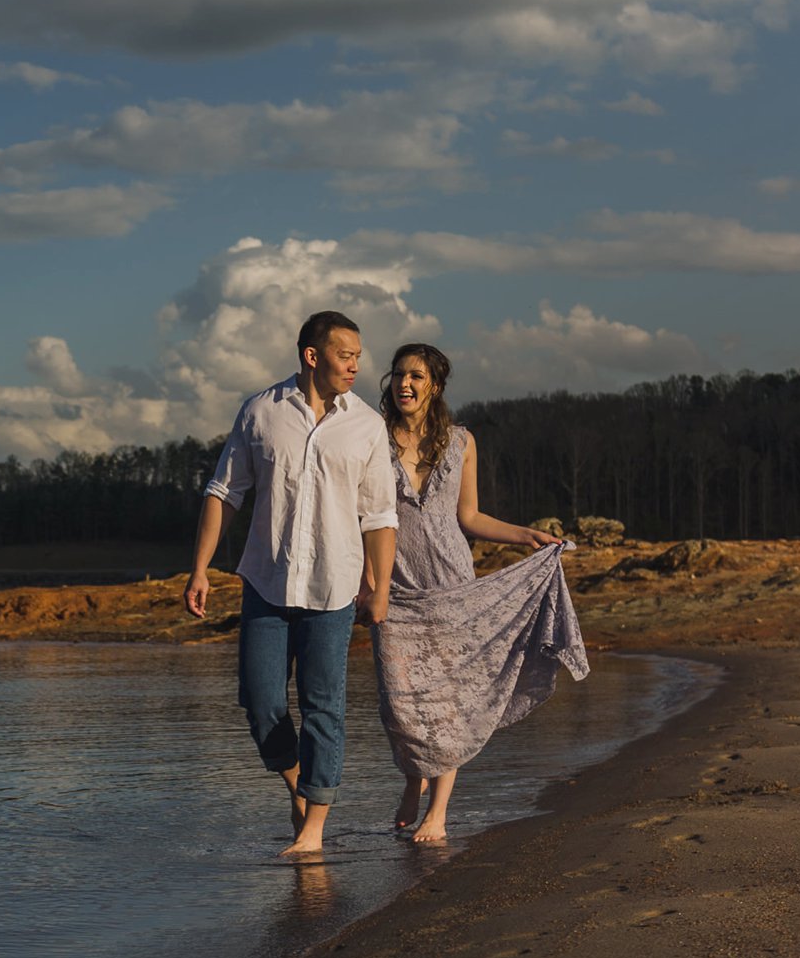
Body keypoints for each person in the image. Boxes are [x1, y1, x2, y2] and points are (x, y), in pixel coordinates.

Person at [186, 312, 397, 859]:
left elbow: (379, 515)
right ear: (312, 356)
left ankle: (312, 831)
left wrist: (381, 590)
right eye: (344, 354)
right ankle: (299, 791)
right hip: (267, 581)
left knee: (324, 706)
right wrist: (200, 568)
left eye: (357, 354)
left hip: (335, 587)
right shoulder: (261, 412)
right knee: (260, 703)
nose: (355, 364)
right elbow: (224, 492)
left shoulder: (368, 426)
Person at [374, 342, 587, 845]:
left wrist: (526, 535)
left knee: (447, 701)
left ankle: (439, 812)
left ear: (436, 386)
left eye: (417, 376)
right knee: (400, 701)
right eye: (399, 375)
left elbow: (468, 517)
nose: (405, 384)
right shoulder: (370, 438)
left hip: (453, 586)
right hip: (397, 589)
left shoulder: (462, 441)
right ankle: (412, 780)